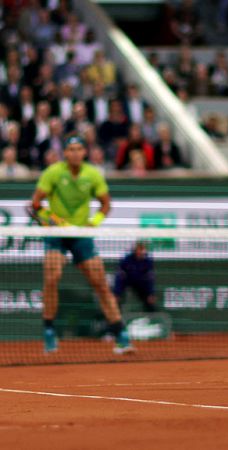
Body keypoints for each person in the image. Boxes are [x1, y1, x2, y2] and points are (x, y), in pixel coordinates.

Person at [30, 134, 134, 355]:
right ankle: (49, 331)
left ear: (84, 152)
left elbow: (106, 204)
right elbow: (36, 204)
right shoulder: (53, 172)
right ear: (65, 153)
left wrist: (92, 223)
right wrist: (54, 221)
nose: (75, 153)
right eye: (71, 149)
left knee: (100, 282)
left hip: (81, 234)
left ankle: (120, 333)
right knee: (52, 277)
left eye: (79, 149)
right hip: (56, 233)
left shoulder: (93, 174)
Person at [114, 241, 157, 312]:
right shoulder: (126, 260)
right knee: (116, 299)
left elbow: (150, 279)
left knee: (149, 300)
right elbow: (119, 277)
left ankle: (152, 317)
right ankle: (116, 318)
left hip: (140, 283)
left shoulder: (148, 262)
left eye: (143, 249)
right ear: (135, 250)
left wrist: (151, 293)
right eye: (139, 249)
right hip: (127, 281)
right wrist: (117, 293)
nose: (141, 252)